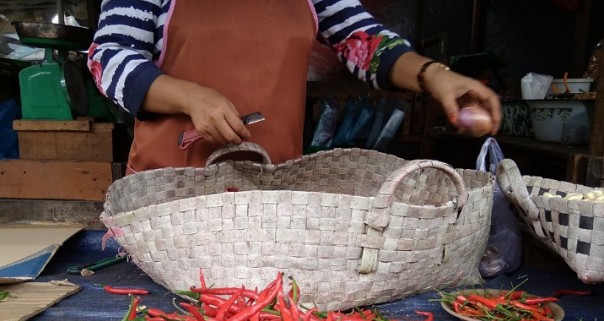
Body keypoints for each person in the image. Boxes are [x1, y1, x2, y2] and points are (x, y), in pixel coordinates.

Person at [88, 1, 501, 172]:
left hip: (274, 193)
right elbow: (107, 57)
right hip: (169, 199)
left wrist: (436, 75)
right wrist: (190, 97)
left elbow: (367, 42)